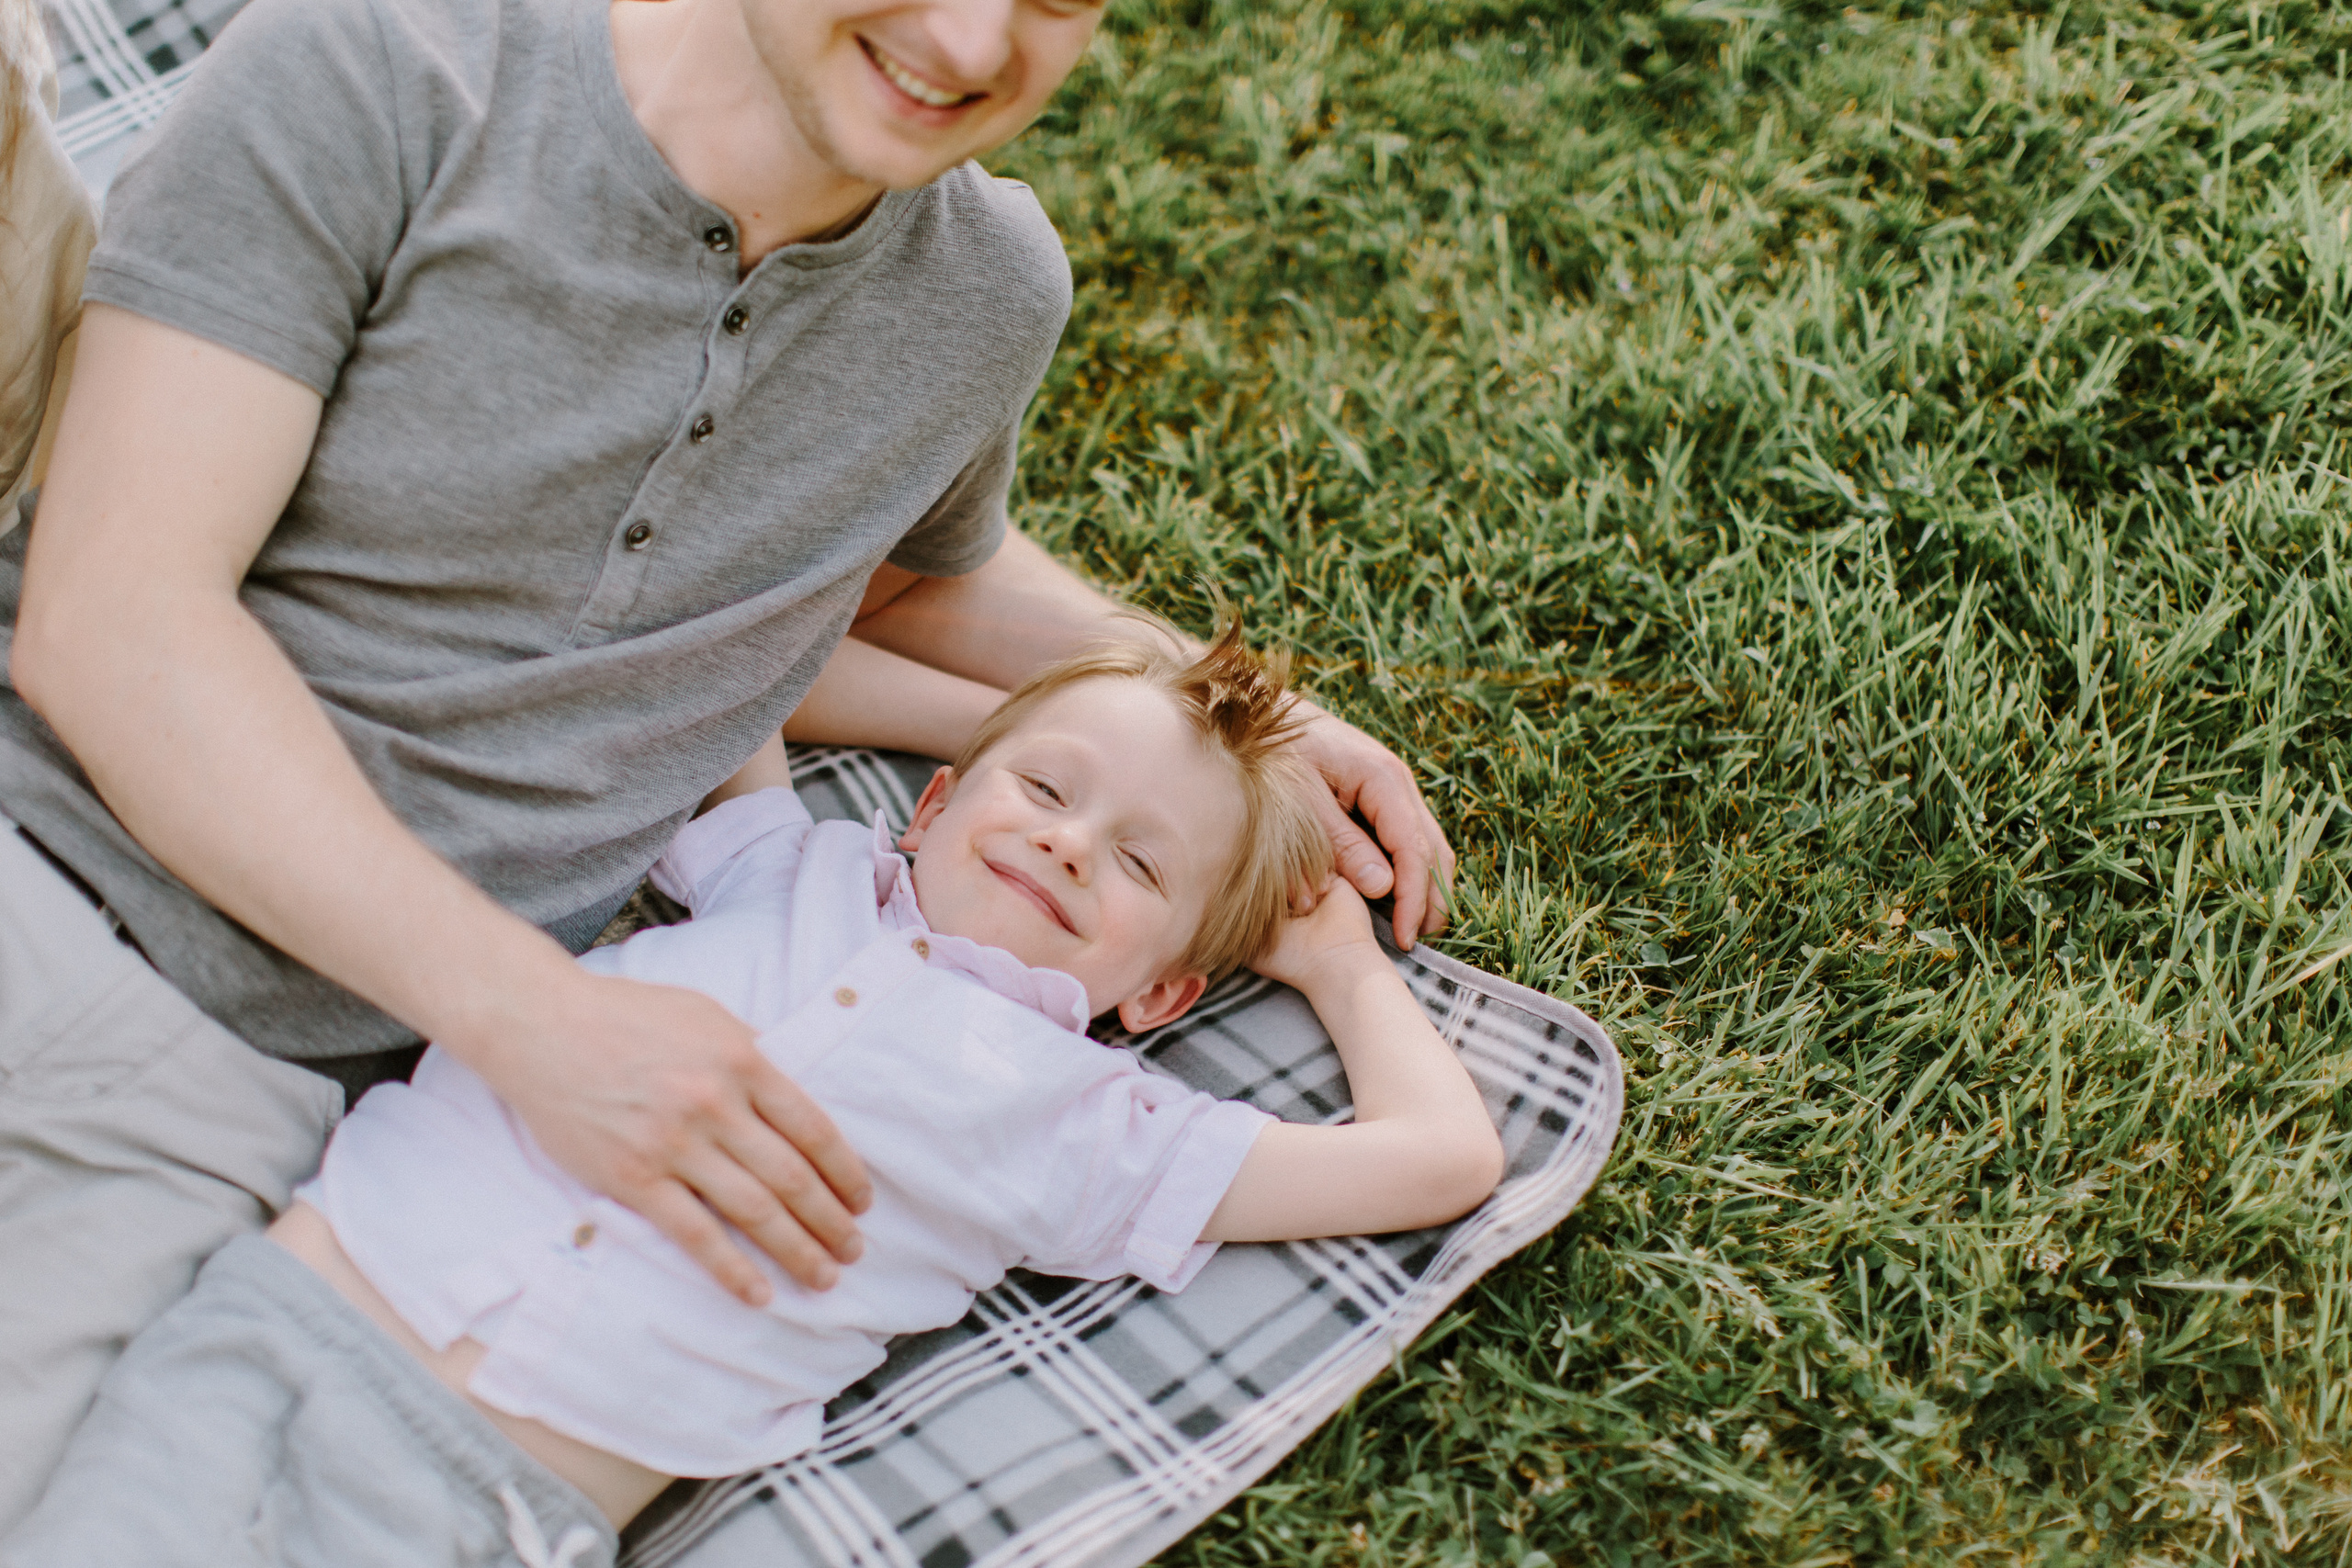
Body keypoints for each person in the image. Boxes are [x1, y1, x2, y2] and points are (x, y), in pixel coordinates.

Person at [0, 0, 1463, 1525]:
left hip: (257, 1106)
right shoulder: (384, 64)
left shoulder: (978, 294)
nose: (970, 43)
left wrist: (1242, 720)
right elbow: (111, 622)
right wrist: (537, 1025)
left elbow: (885, 573)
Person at [2, 627, 1504, 1567]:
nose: (1067, 847)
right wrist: (981, 729)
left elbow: (1437, 1158)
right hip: (284, 1308)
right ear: (932, 805)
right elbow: (763, 651)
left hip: (482, 1495)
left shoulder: (1086, 1125)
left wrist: (1336, 968)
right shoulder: (792, 869)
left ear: (1164, 993)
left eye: (1140, 865)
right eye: (1044, 792)